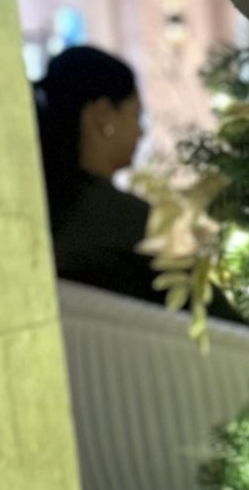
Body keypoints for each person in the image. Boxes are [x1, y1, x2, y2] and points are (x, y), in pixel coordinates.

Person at [33, 44, 159, 303]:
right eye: (136, 115)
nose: (141, 132)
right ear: (103, 116)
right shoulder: (125, 221)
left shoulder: (39, 208)